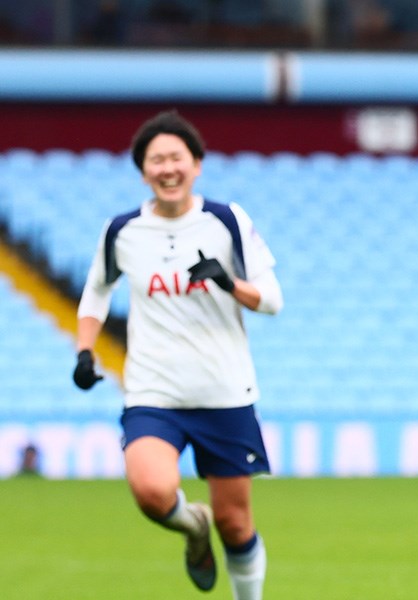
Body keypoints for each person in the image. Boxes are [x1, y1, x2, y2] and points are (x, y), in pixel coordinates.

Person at [72, 109, 282, 600]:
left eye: (176, 158)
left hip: (224, 392)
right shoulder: (122, 231)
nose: (167, 168)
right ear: (143, 172)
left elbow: (272, 300)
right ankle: (192, 526)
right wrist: (84, 351)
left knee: (235, 523)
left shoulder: (226, 221)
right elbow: (96, 292)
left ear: (197, 165)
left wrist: (228, 283)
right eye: (156, 160)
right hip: (154, 391)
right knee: (151, 493)